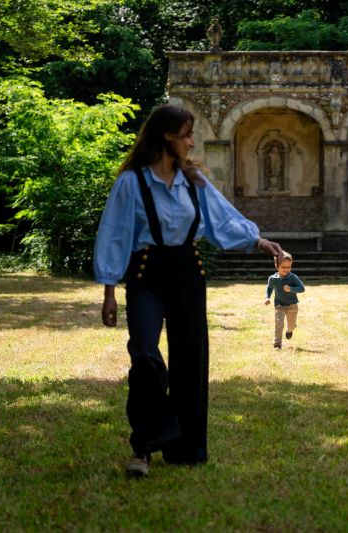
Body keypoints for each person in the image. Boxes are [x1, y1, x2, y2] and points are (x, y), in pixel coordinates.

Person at [94, 104, 284, 478]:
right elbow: (114, 235)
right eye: (186, 135)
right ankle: (143, 447)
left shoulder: (193, 182)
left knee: (189, 360)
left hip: (188, 275)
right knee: (146, 355)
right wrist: (109, 291)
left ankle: (184, 449)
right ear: (167, 136)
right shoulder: (131, 182)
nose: (191, 142)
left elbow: (222, 218)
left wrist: (260, 242)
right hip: (146, 275)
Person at [264, 252, 305, 349]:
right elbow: (269, 288)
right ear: (276, 266)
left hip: (292, 305)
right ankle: (277, 344)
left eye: (289, 267)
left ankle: (289, 330)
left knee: (291, 325)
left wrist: (291, 289)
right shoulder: (273, 278)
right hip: (279, 305)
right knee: (278, 324)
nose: (286, 269)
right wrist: (267, 297)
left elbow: (302, 288)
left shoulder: (292, 277)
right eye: (283, 267)